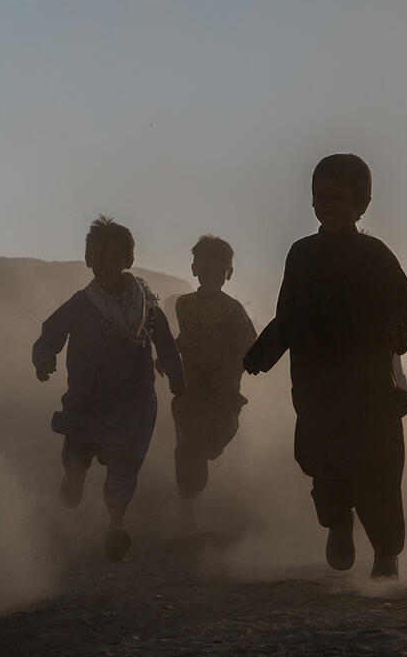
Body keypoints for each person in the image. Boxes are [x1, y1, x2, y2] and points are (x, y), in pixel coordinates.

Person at [243, 154, 407, 578]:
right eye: (320, 197)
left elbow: (406, 304)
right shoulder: (300, 255)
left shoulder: (376, 255)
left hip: (372, 388)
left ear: (362, 203)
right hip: (317, 387)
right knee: (323, 464)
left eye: (339, 196)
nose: (328, 204)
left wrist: (402, 332)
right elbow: (286, 317)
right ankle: (339, 525)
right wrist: (258, 355)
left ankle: (386, 554)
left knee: (379, 472)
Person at [33, 216, 186, 561]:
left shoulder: (145, 307)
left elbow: (166, 345)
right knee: (76, 453)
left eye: (112, 259)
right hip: (86, 401)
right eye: (97, 258)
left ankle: (116, 526)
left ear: (128, 261)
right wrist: (44, 359)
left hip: (133, 403)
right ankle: (74, 477)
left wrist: (178, 378)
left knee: (125, 465)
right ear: (87, 260)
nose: (104, 266)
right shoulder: (80, 304)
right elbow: (50, 335)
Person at [171, 235, 257, 526]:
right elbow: (184, 338)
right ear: (194, 269)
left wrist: (233, 367)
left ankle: (208, 451)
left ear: (228, 274)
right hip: (190, 387)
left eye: (219, 271)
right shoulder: (183, 305)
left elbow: (248, 345)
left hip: (223, 390)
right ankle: (187, 504)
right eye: (205, 269)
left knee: (220, 431)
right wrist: (169, 357)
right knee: (187, 445)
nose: (211, 276)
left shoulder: (234, 310)